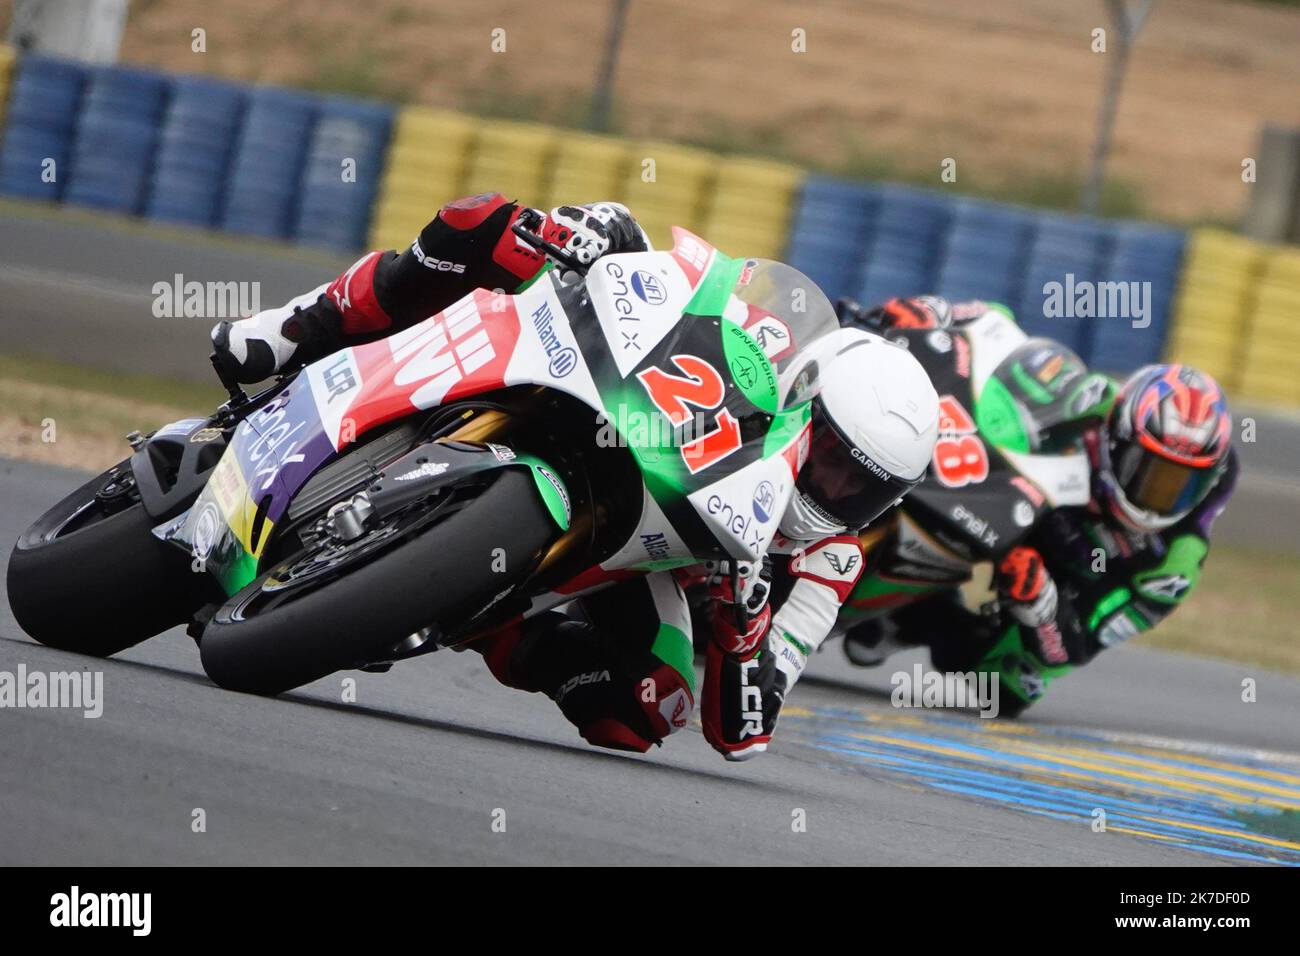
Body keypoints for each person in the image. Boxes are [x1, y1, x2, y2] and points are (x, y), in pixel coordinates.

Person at [212, 192, 940, 755]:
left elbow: (745, 732)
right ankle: (298, 329)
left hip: (646, 565)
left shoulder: (829, 561)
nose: (837, 493)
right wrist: (605, 235)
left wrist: (742, 623)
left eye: (862, 489)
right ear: (806, 400)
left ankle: (474, 613)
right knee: (492, 225)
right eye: (837, 462)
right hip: (629, 431)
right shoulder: (770, 348)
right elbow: (692, 282)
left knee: (649, 711)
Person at [835, 296, 1239, 715]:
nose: (1161, 497)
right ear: (1118, 440)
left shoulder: (1168, 570)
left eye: (1184, 483)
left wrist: (1042, 603)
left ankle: (905, 621)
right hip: (1009, 500)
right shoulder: (1095, 401)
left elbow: (1078, 644)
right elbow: (996, 326)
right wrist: (934, 315)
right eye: (1150, 472)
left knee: (1010, 687)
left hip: (1056, 590)